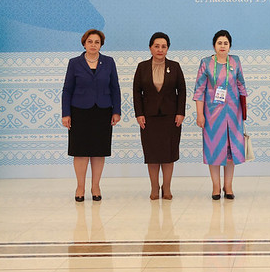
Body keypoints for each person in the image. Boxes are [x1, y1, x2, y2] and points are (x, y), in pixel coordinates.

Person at [61, 29, 121, 202]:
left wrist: (116, 111)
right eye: (90, 41)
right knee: (80, 151)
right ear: (84, 43)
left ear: (101, 45)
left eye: (97, 42)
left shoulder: (108, 62)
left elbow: (115, 88)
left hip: (103, 111)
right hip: (79, 111)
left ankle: (96, 186)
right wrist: (66, 113)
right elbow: (67, 89)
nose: (93, 45)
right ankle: (80, 186)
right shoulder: (74, 63)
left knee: (98, 151)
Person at [194, 30, 248, 200]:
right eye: (219, 43)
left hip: (233, 113)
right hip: (212, 114)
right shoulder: (206, 63)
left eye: (226, 43)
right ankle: (216, 187)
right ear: (214, 45)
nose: (222, 46)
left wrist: (244, 111)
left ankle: (228, 186)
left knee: (231, 151)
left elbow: (241, 85)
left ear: (230, 46)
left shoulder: (235, 61)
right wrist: (200, 114)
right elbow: (199, 90)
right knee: (214, 150)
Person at [133, 32, 186, 200]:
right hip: (149, 118)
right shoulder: (142, 67)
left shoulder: (175, 66)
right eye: (156, 46)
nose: (160, 49)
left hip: (171, 117)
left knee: (169, 155)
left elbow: (182, 90)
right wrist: (139, 114)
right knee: (153, 155)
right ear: (150, 48)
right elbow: (136, 92)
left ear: (168, 48)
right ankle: (154, 187)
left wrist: (180, 112)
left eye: (164, 46)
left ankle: (167, 187)